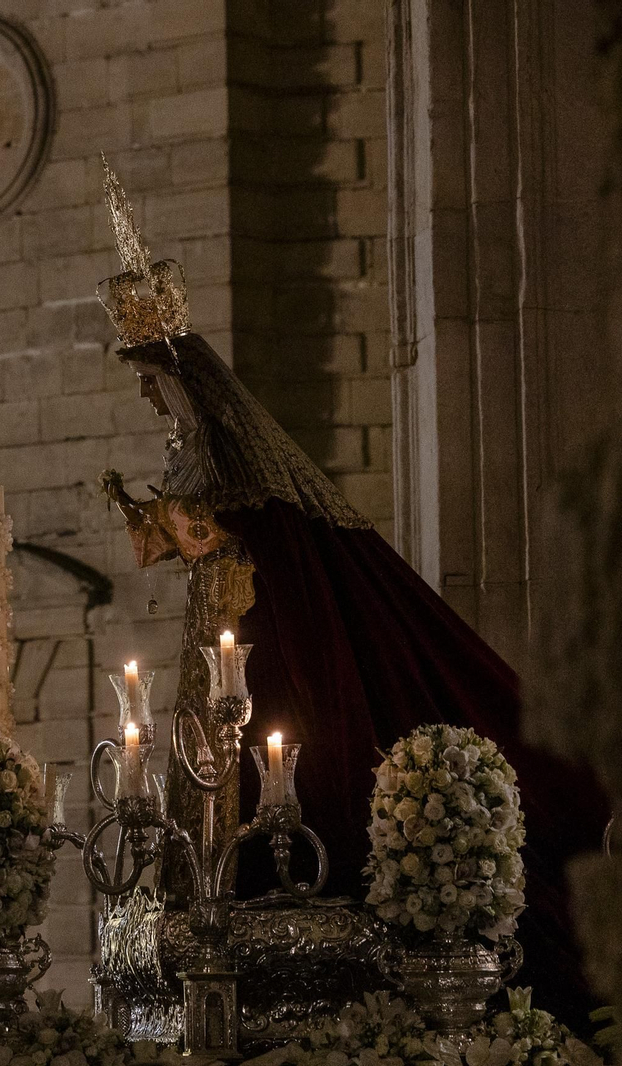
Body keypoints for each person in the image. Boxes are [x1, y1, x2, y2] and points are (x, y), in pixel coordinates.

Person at [94, 159, 608, 1018]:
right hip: (219, 632)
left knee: (280, 784)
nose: (148, 397)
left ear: (181, 375)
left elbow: (229, 535)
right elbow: (202, 532)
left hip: (254, 634)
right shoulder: (196, 451)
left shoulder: (216, 447)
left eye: (151, 380)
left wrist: (159, 521)